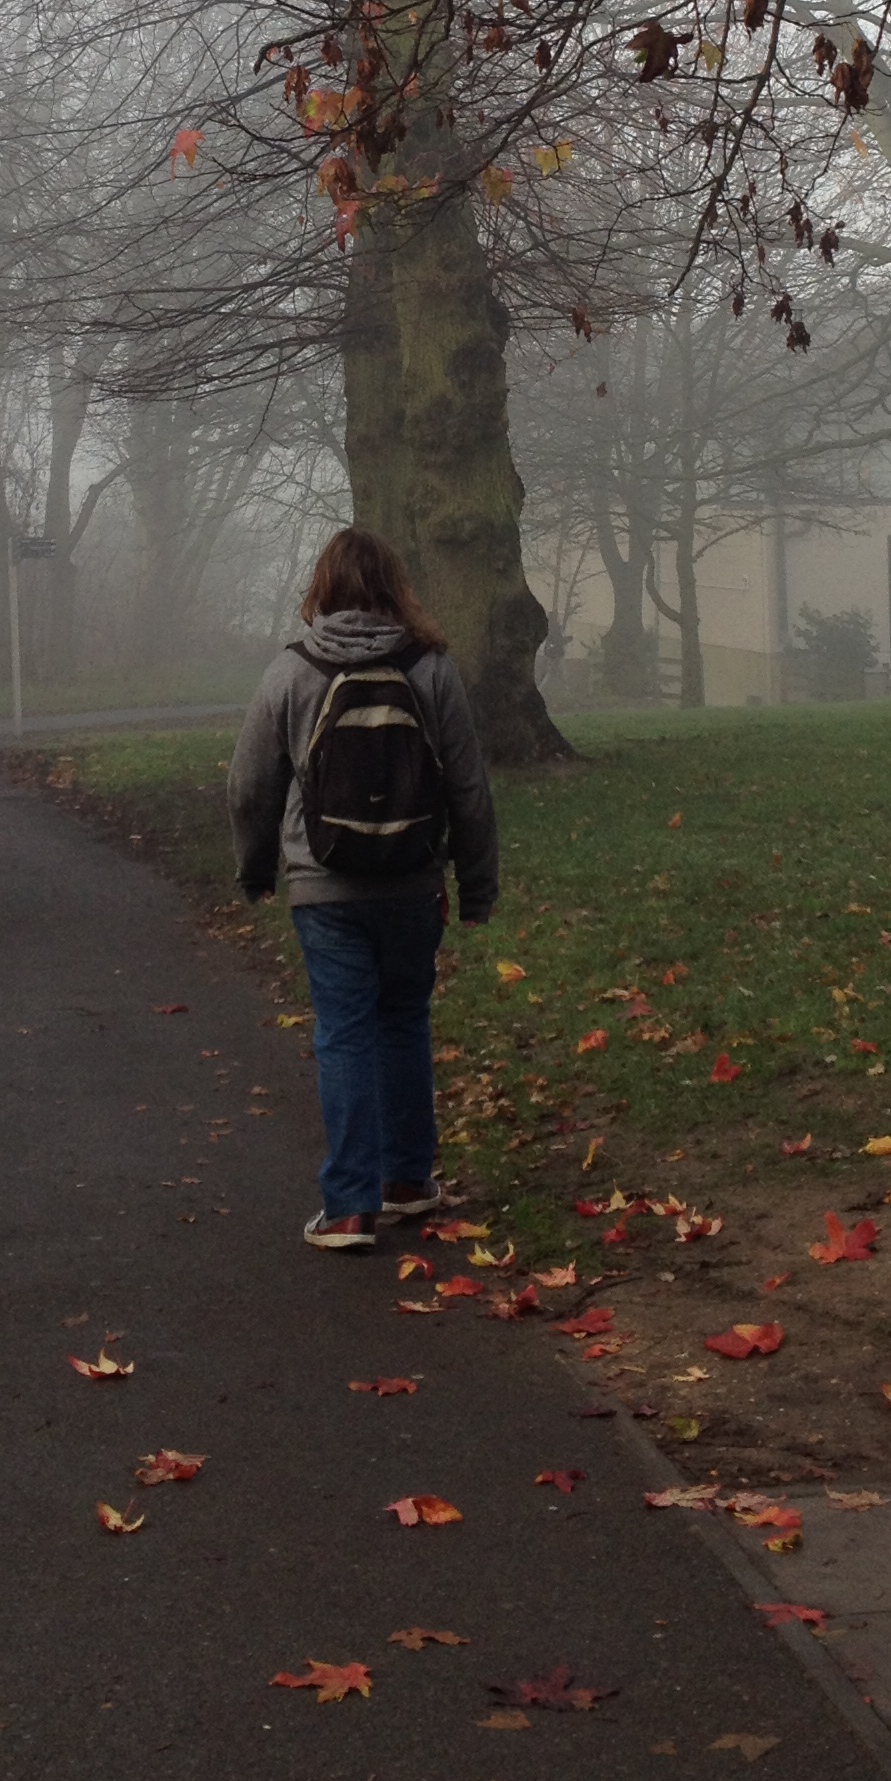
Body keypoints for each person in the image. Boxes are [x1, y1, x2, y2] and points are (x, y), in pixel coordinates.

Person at [227, 527, 498, 1249]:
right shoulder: (431, 667)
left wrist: (256, 868)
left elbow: (250, 783)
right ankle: (408, 1181)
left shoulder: (293, 669)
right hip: (413, 880)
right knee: (403, 1021)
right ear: (394, 588)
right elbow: (469, 787)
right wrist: (476, 886)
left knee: (344, 1032)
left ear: (323, 588)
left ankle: (349, 1206)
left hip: (326, 884)